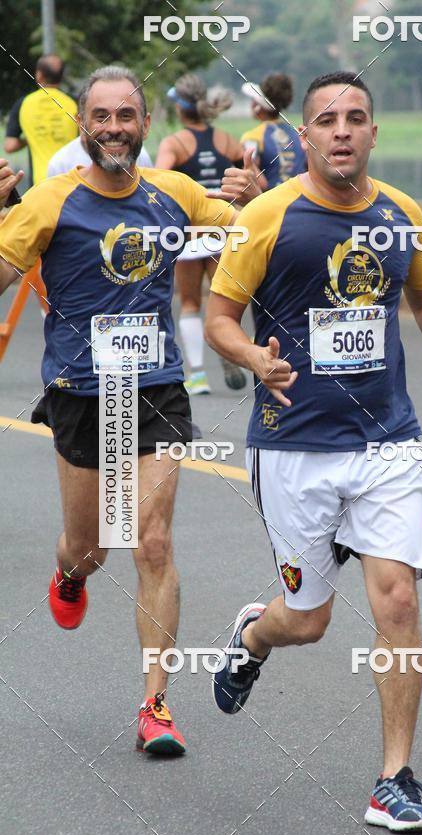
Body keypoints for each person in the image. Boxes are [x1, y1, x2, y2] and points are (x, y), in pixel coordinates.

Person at [205, 71, 422, 832]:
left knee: (399, 599)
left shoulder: (401, 213)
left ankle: (394, 780)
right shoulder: (266, 217)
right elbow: (220, 316)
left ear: (374, 132)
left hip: (386, 439)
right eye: (328, 119)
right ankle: (255, 634)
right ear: (307, 136)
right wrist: (254, 358)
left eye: (357, 117)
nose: (344, 130)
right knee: (308, 621)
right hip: (293, 447)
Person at [0, 65, 237, 756]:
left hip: (156, 386)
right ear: (81, 125)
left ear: (144, 125)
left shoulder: (175, 192)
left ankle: (155, 707)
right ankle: (70, 573)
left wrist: (254, 202)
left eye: (125, 115)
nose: (112, 128)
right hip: (80, 392)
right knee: (91, 548)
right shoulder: (49, 201)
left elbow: (254, 235)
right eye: (100, 116)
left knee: (153, 541)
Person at [156, 74, 247, 395]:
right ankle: (226, 350)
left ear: (180, 109)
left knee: (191, 302)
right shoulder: (226, 140)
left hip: (191, 234)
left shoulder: (175, 144)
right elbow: (250, 173)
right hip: (223, 229)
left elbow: (160, 183)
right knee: (222, 302)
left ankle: (197, 374)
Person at [4, 55, 78, 186]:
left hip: (40, 183)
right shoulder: (74, 103)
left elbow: (10, 146)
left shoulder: (24, 103)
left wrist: (30, 137)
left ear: (39, 75)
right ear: (61, 76)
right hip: (72, 179)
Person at [240, 73, 306, 190]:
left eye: (253, 100)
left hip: (270, 203)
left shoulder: (252, 137)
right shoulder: (298, 134)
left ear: (258, 105)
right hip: (298, 199)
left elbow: (254, 178)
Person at [47, 134, 154, 176]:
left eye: (124, 117)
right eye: (101, 118)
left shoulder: (140, 155)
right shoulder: (60, 162)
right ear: (81, 123)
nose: (113, 128)